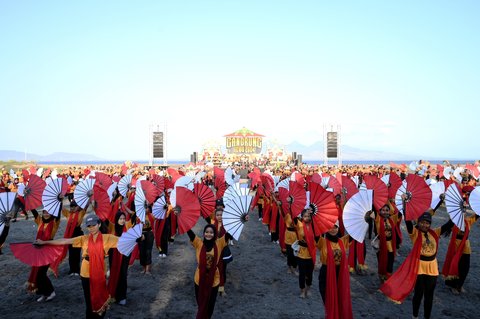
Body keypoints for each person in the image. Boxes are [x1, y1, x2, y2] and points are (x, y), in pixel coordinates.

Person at [36, 214, 119, 318]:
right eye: (89, 226)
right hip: (85, 273)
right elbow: (65, 240)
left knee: (99, 296)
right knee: (88, 300)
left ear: (99, 224)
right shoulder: (84, 238)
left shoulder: (108, 238)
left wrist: (139, 237)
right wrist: (45, 242)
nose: (91, 228)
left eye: (93, 225)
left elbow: (124, 240)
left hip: (99, 273)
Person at [380, 211, 454, 319]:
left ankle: (427, 317)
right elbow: (408, 222)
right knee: (418, 294)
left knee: (429, 295)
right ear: (418, 223)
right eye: (422, 222)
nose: (425, 225)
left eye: (427, 223)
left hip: (432, 267)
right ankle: (415, 316)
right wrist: (406, 206)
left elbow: (449, 225)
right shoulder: (414, 233)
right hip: (419, 267)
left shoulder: (435, 233)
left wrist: (460, 211)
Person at [187, 224, 233, 319]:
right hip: (199, 278)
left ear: (214, 234)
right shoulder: (199, 243)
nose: (209, 234)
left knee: (210, 305)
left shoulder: (219, 243)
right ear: (203, 233)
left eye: (211, 232)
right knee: (201, 304)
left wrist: (243, 219)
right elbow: (190, 233)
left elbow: (230, 233)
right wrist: (180, 217)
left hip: (214, 280)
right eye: (207, 232)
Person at [316, 222, 353, 319]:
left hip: (340, 274)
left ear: (338, 228)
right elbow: (314, 233)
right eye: (330, 227)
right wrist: (313, 217)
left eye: (335, 227)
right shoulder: (322, 241)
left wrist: (366, 218)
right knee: (328, 300)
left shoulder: (343, 241)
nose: (333, 229)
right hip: (326, 274)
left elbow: (355, 233)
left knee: (340, 299)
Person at [28, 209, 61, 302]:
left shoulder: (54, 222)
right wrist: (27, 196)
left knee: (41, 273)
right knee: (37, 273)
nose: (46, 214)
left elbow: (58, 214)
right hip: (38, 251)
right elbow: (34, 212)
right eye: (44, 212)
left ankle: (51, 292)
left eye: (48, 212)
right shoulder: (40, 221)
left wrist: (60, 200)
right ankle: (43, 293)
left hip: (47, 252)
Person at [107, 211, 132, 305]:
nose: (122, 221)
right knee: (114, 273)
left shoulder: (127, 228)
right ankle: (114, 295)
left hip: (125, 254)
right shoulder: (112, 228)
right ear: (116, 219)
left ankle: (122, 296)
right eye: (120, 219)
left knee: (123, 274)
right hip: (114, 254)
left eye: (123, 219)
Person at [293, 207, 316, 298]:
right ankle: (302, 290)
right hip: (301, 253)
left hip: (311, 253)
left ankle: (308, 288)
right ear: (302, 217)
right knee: (302, 274)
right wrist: (291, 204)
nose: (307, 218)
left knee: (309, 274)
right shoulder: (299, 225)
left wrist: (313, 211)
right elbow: (293, 216)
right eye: (305, 216)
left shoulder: (314, 226)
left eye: (309, 216)